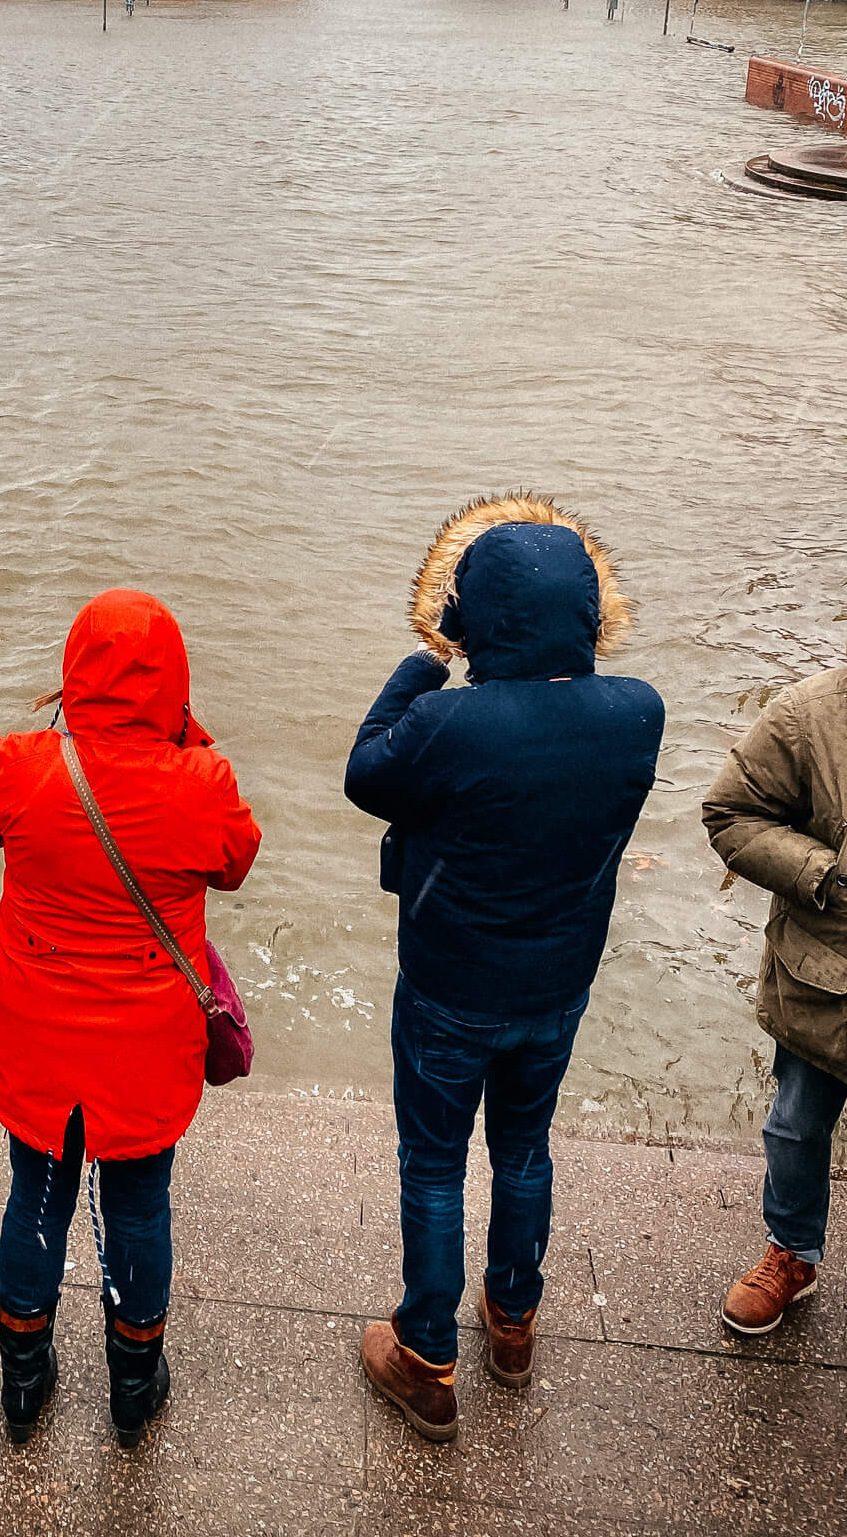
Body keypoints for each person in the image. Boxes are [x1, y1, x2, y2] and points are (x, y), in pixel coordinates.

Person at [344, 498, 664, 1442]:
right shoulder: (635, 714)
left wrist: (428, 655)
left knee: (435, 1164)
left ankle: (426, 1357)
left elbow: (367, 772)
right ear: (587, 616)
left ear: (474, 617)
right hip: (558, 984)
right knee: (524, 1149)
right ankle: (514, 1321)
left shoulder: (451, 724)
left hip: (450, 988)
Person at [0, 589, 260, 1448]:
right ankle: (133, 1383)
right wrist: (183, 734)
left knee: (37, 1195)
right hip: (145, 1046)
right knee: (138, 1206)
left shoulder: (23, 764)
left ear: (74, 670)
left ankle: (24, 1379)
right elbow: (235, 862)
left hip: (38, 1036)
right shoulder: (202, 780)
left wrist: (66, 732)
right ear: (176, 681)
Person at [704, 668, 847, 1336]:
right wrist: (825, 874)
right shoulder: (809, 713)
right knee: (793, 1125)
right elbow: (729, 813)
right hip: (823, 978)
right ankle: (792, 1252)